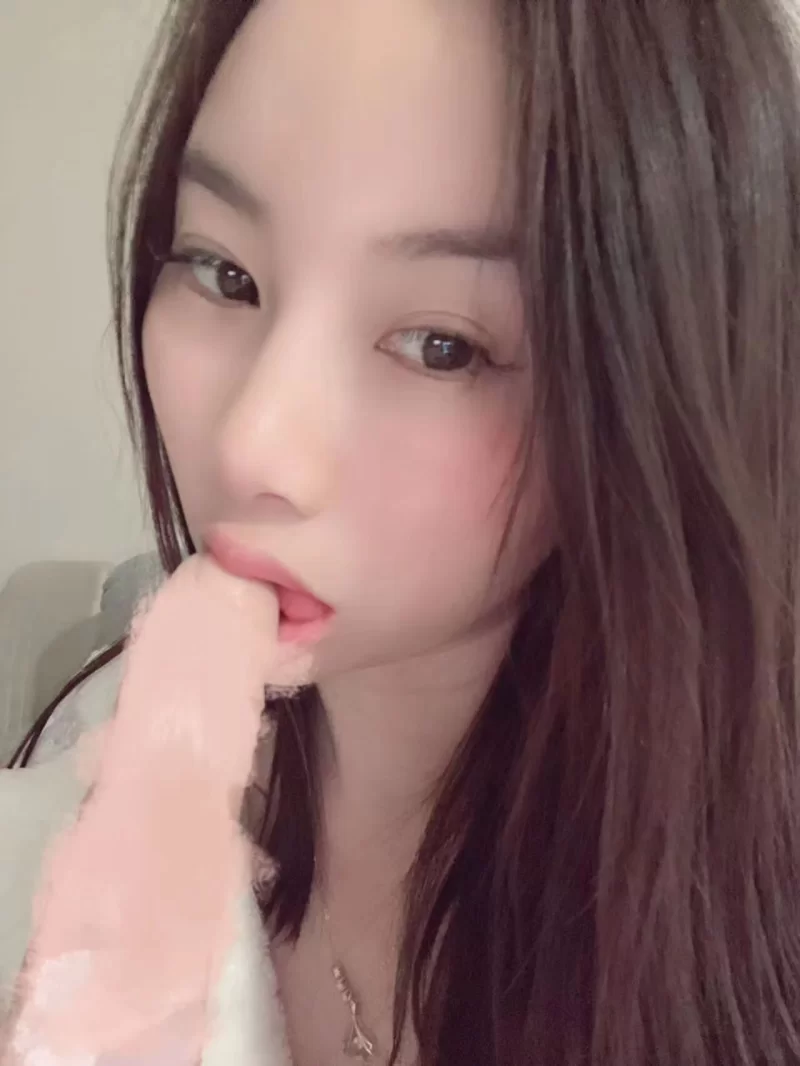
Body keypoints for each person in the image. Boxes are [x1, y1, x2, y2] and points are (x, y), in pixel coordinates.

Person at [3, 0, 800, 1062]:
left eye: (440, 346)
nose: (253, 447)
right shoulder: (70, 792)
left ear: (656, 388)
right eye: (224, 273)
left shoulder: (749, 929)